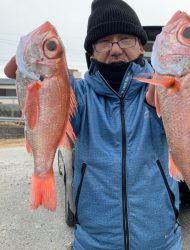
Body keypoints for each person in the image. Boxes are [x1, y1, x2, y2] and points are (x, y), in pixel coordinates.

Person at [4, 0, 181, 249]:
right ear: (91, 52)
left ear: (142, 46)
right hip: (94, 242)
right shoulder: (79, 95)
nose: (116, 49)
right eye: (104, 41)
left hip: (161, 239)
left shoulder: (161, 86)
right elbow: (22, 73)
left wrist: (180, 89)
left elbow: (187, 96)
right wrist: (32, 55)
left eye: (125, 39)